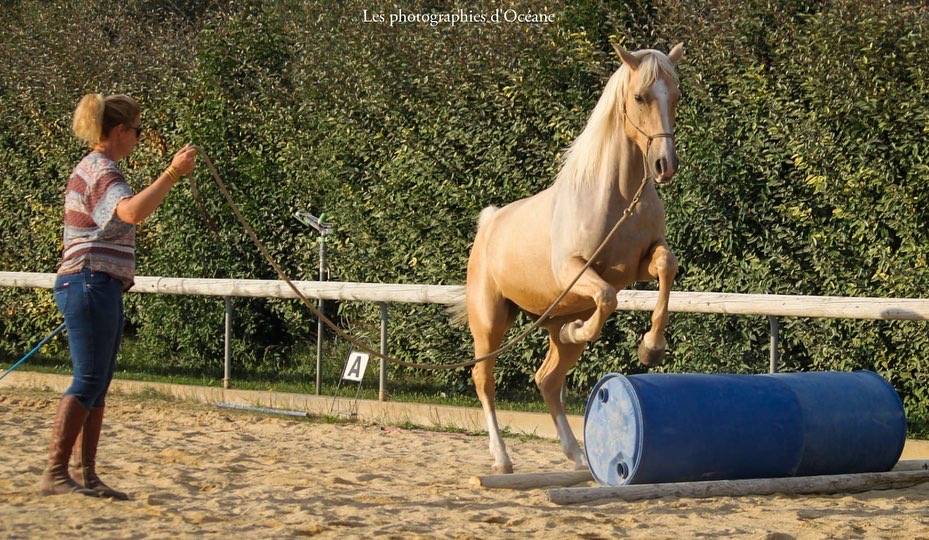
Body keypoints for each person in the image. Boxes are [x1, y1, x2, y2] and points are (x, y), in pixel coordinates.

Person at [40, 93, 197, 498]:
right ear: (120, 130)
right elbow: (130, 212)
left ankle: (86, 475)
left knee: (98, 381)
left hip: (96, 283)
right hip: (90, 281)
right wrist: (172, 174)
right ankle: (58, 471)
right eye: (137, 131)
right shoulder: (102, 169)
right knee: (89, 377)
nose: (138, 139)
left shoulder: (97, 168)